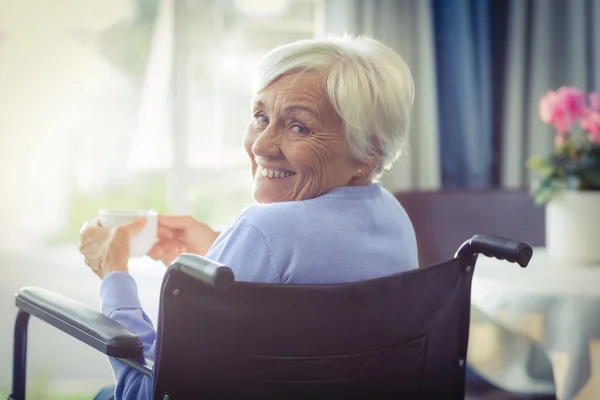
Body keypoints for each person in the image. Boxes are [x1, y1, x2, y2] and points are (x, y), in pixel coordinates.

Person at [79, 34, 418, 400]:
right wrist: (218, 255)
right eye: (260, 117)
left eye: (298, 127)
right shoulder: (395, 217)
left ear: (367, 153)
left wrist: (112, 273)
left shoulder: (265, 229)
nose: (260, 146)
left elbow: (150, 393)